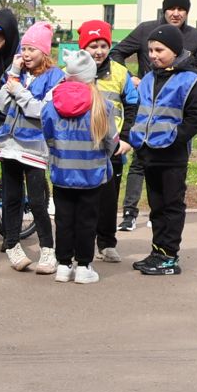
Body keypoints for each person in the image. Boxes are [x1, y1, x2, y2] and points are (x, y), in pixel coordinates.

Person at [111, 0, 197, 230]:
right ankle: (130, 213)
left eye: (182, 9)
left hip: (175, 112)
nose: (176, 13)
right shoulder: (147, 29)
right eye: (172, 8)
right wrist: (132, 78)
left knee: (173, 167)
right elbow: (117, 53)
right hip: (147, 108)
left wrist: (185, 81)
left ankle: (166, 228)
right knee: (139, 162)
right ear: (164, 9)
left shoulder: (195, 36)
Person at [129, 24, 197, 276]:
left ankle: (169, 256)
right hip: (149, 153)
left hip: (172, 155)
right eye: (150, 50)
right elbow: (139, 111)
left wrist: (176, 137)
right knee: (156, 206)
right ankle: (157, 251)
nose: (153, 55)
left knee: (171, 205)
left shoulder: (188, 80)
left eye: (159, 50)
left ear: (174, 51)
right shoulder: (149, 78)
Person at [40, 50, 124, 284]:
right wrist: (101, 158)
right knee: (88, 221)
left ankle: (64, 265)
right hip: (92, 174)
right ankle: (84, 266)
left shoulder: (52, 103)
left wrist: (57, 155)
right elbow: (111, 141)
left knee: (64, 220)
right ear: (91, 77)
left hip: (62, 172)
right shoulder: (102, 105)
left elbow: (47, 134)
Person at [0, 23, 62, 274]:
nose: (27, 54)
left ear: (44, 51)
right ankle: (12, 245)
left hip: (33, 148)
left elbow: (42, 111)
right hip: (9, 146)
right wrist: (12, 75)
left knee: (36, 200)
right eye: (24, 49)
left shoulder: (56, 77)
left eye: (32, 49)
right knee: (10, 199)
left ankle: (47, 250)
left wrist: (20, 92)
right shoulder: (17, 74)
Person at [79, 21, 139, 262]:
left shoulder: (120, 73)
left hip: (112, 148)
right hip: (81, 150)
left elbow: (133, 106)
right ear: (84, 47)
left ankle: (106, 243)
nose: (99, 51)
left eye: (103, 45)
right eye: (93, 45)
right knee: (82, 199)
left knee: (108, 198)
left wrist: (126, 139)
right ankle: (80, 244)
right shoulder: (71, 72)